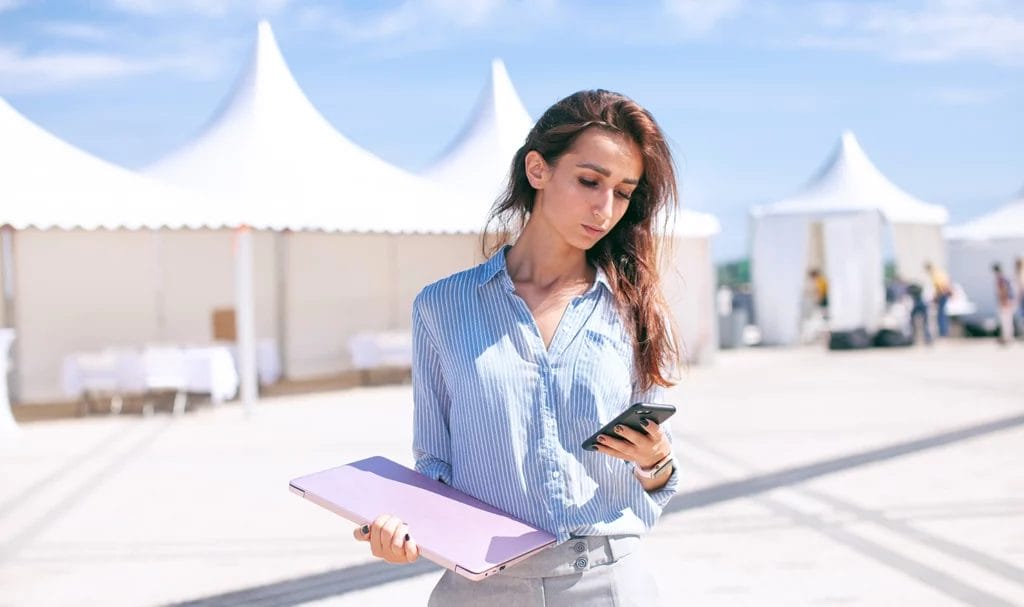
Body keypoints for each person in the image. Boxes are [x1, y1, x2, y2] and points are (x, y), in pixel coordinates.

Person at [354, 90, 682, 605]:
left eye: (623, 192)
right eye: (589, 181)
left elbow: (657, 476)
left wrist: (657, 459)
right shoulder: (442, 306)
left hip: (608, 581)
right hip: (483, 586)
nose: (604, 208)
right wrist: (402, 530)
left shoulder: (634, 308)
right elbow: (435, 463)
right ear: (538, 169)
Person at [924, 261, 953, 337]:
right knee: (942, 313)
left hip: (942, 294)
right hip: (944, 294)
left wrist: (936, 297)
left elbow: (940, 287)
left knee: (941, 314)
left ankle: (943, 332)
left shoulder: (934, 274)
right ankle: (944, 331)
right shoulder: (939, 272)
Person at [994, 263, 1015, 345]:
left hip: (1005, 301)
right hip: (1007, 301)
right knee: (1007, 320)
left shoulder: (1001, 278)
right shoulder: (1004, 277)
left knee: (1005, 320)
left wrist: (1003, 301)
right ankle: (1008, 337)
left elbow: (1003, 290)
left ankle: (1007, 337)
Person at [906, 281, 932, 345]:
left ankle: (914, 338)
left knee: (917, 323)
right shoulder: (918, 291)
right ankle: (927, 338)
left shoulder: (913, 291)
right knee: (924, 323)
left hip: (918, 305)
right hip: (921, 305)